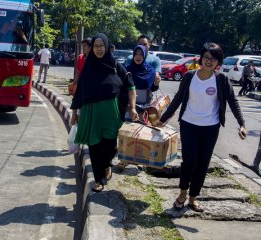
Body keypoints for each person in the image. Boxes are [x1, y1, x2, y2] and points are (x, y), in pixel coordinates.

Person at [154, 42, 246, 212]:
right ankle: (182, 193)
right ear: (201, 59)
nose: (209, 61)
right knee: (189, 162)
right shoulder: (190, 76)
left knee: (203, 164)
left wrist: (241, 124)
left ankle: (193, 198)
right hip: (189, 125)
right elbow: (178, 99)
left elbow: (233, 101)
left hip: (211, 128)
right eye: (206, 57)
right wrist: (164, 118)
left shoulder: (221, 79)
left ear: (218, 62)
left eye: (213, 59)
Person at [70, 33, 138, 192]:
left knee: (111, 146)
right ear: (91, 48)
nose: (99, 49)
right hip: (91, 113)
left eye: (101, 46)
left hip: (111, 114)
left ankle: (107, 165)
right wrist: (74, 113)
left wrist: (133, 107)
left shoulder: (115, 65)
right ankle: (98, 179)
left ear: (107, 46)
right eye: (96, 46)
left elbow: (130, 85)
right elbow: (79, 91)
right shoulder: (88, 66)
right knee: (94, 146)